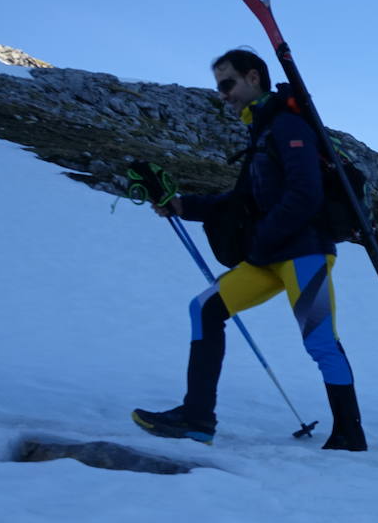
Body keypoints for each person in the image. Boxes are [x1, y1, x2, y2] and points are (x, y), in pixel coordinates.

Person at [132, 48, 365, 451]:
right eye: (219, 86)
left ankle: (349, 434)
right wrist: (181, 204)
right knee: (205, 309)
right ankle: (197, 417)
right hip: (271, 255)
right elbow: (241, 201)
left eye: (228, 84)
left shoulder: (288, 125)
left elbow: (305, 194)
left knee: (320, 341)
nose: (223, 94)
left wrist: (262, 240)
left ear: (253, 77)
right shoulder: (262, 131)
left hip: (304, 253)